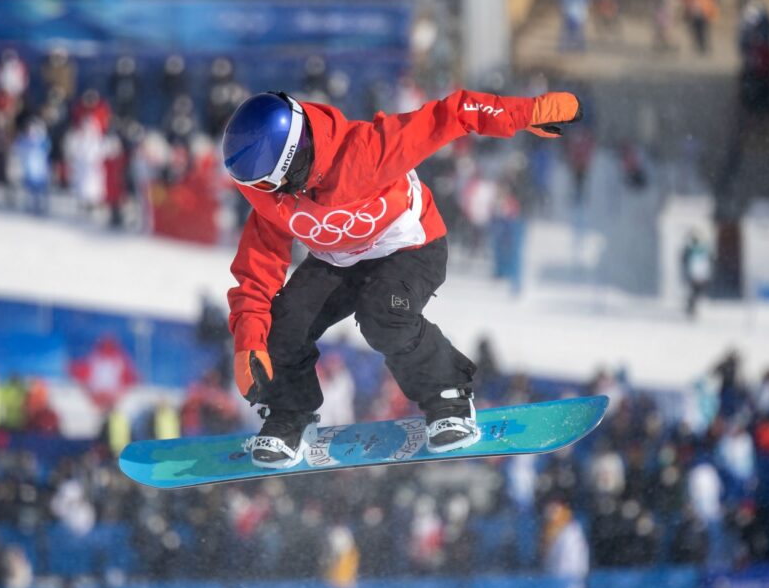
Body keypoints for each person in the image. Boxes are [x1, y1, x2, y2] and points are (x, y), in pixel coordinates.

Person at [221, 88, 581, 468]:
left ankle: (448, 397)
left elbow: (453, 114)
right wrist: (250, 342)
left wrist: (526, 111)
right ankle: (289, 414)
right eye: (253, 186)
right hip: (341, 258)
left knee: (384, 317)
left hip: (408, 244)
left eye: (265, 184)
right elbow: (257, 270)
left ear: (293, 166)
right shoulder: (268, 196)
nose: (260, 194)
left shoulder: (366, 151)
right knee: (284, 326)